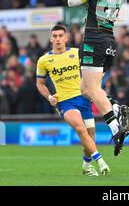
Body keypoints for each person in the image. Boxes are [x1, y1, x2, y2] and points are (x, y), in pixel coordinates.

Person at [67, 0, 129, 156]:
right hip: (110, 41)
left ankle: (114, 127)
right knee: (85, 89)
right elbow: (97, 3)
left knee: (92, 89)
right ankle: (116, 108)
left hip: (94, 39)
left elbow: (72, 2)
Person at [36, 24, 110, 176]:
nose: (57, 39)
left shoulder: (77, 53)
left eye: (60, 36)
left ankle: (86, 165)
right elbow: (40, 84)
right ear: (51, 39)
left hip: (83, 98)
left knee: (90, 137)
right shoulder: (44, 60)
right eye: (54, 36)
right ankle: (100, 161)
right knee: (80, 128)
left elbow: (92, 71)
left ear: (66, 38)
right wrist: (49, 96)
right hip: (64, 101)